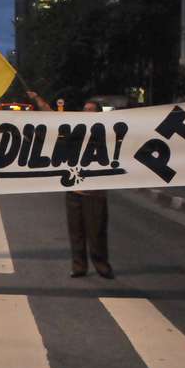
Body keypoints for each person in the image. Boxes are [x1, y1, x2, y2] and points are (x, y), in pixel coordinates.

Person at [27, 91, 115, 279]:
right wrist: (37, 98)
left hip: (95, 192)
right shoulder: (75, 129)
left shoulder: (106, 133)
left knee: (96, 231)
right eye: (85, 109)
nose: (86, 112)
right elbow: (51, 115)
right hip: (74, 190)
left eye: (91, 110)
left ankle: (102, 266)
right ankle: (79, 266)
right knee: (76, 231)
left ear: (99, 114)